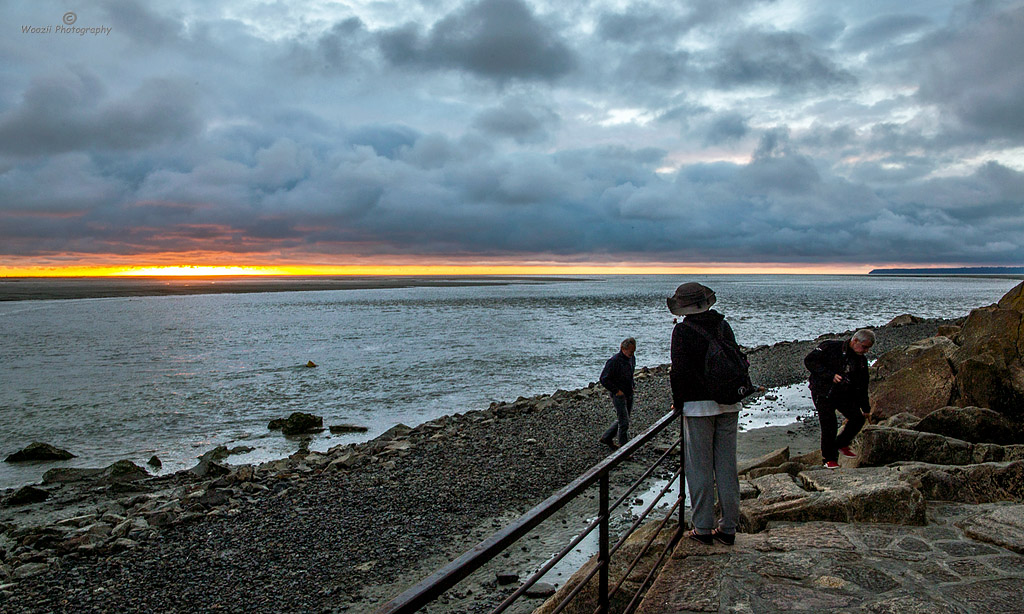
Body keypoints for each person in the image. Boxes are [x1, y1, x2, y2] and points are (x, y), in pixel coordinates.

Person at [668, 282, 740, 546]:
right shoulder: (723, 325)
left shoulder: (683, 331)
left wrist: (678, 403)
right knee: (726, 467)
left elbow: (679, 372)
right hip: (729, 403)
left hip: (698, 407)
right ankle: (729, 527)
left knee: (698, 467)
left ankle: (702, 527)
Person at [804, 329, 875, 469]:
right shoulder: (830, 347)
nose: (866, 351)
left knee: (858, 418)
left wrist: (866, 408)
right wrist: (830, 375)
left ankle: (841, 444)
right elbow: (809, 361)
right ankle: (829, 459)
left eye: (868, 348)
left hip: (843, 394)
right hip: (823, 392)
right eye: (864, 347)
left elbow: (862, 386)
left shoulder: (861, 361)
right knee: (829, 425)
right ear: (855, 341)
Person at [599, 337, 637, 450]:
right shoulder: (614, 361)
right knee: (624, 422)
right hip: (618, 395)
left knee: (624, 418)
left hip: (629, 392)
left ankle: (607, 437)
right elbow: (604, 379)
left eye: (633, 351)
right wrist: (616, 391)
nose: (632, 353)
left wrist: (632, 385)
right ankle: (623, 449)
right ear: (622, 348)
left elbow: (630, 373)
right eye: (630, 351)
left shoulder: (632, 358)